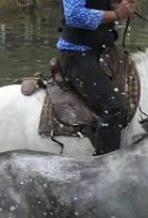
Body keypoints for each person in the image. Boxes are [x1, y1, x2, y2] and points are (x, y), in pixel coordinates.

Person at [57, 0, 136, 154]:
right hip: (77, 54)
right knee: (114, 108)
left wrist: (115, 3)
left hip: (104, 51)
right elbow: (74, 15)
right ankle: (104, 167)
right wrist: (116, 14)